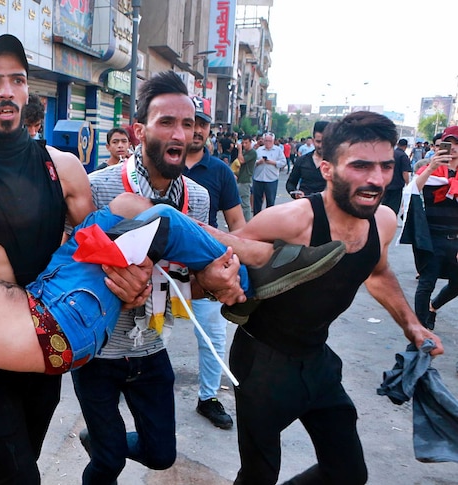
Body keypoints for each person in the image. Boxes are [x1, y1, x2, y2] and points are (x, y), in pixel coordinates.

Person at [0, 182, 347, 484]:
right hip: (55, 327)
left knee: (111, 218)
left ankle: (229, 274)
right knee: (162, 221)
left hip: (47, 296)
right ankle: (247, 280)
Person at [0, 34, 151, 485]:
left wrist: (132, 281)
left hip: (48, 337)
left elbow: (97, 251)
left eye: (17, 80)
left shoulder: (62, 168)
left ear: (27, 94)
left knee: (17, 463)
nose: (6, 90)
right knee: (22, 472)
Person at [213, 111, 444, 485]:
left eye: (385, 166)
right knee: (258, 476)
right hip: (262, 364)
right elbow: (221, 262)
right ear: (327, 169)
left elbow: (378, 272)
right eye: (360, 165)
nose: (376, 179)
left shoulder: (382, 221)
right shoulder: (291, 221)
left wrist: (413, 326)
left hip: (318, 360)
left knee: (348, 472)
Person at [76, 72, 230, 483]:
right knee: (107, 464)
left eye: (188, 123)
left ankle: (102, 440)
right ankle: (105, 448)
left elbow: (191, 279)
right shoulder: (97, 188)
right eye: (167, 122)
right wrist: (117, 287)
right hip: (97, 354)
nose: (181, 133)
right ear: (139, 130)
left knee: (161, 455)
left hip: (151, 347)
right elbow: (73, 273)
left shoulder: (196, 198)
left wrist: (204, 283)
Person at [183, 95, 245, 430]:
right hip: (163, 269)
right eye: (191, 121)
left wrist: (238, 263)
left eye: (203, 123)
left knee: (212, 338)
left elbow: (238, 225)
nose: (197, 129)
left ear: (209, 130)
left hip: (207, 270)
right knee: (150, 333)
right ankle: (132, 383)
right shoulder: (165, 163)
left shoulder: (220, 172)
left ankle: (208, 397)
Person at [412, 126, 458, 330]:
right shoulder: (432, 170)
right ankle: (419, 331)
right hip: (430, 237)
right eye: (450, 144)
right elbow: (413, 190)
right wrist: (431, 167)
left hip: (455, 237)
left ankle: (433, 307)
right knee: (426, 284)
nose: (454, 148)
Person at [286, 121, 328, 199]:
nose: (321, 145)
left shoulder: (335, 162)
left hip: (326, 207)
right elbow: (290, 183)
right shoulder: (302, 160)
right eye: (318, 141)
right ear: (313, 140)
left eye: (325, 141)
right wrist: (295, 193)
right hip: (304, 205)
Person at [252, 132, 287, 215]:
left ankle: (269, 218)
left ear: (273, 141)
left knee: (270, 201)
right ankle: (256, 218)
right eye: (266, 141)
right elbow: (252, 163)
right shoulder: (259, 150)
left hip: (271, 179)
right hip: (258, 178)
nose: (268, 143)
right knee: (257, 200)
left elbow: (283, 162)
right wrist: (258, 162)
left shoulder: (278, 150)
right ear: (263, 141)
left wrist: (273, 162)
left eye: (270, 141)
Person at [382, 138, 412, 213]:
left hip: (386, 183)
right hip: (397, 185)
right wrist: (408, 184)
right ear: (405, 146)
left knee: (384, 204)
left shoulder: (390, 153)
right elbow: (405, 172)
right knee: (393, 207)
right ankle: (390, 222)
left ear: (398, 144)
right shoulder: (403, 156)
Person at [236, 135, 257, 221]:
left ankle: (247, 221)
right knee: (240, 202)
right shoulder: (245, 152)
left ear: (250, 142)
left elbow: (241, 160)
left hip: (246, 180)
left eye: (246, 143)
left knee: (245, 203)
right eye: (243, 143)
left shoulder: (252, 152)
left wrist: (240, 149)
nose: (244, 145)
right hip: (240, 178)